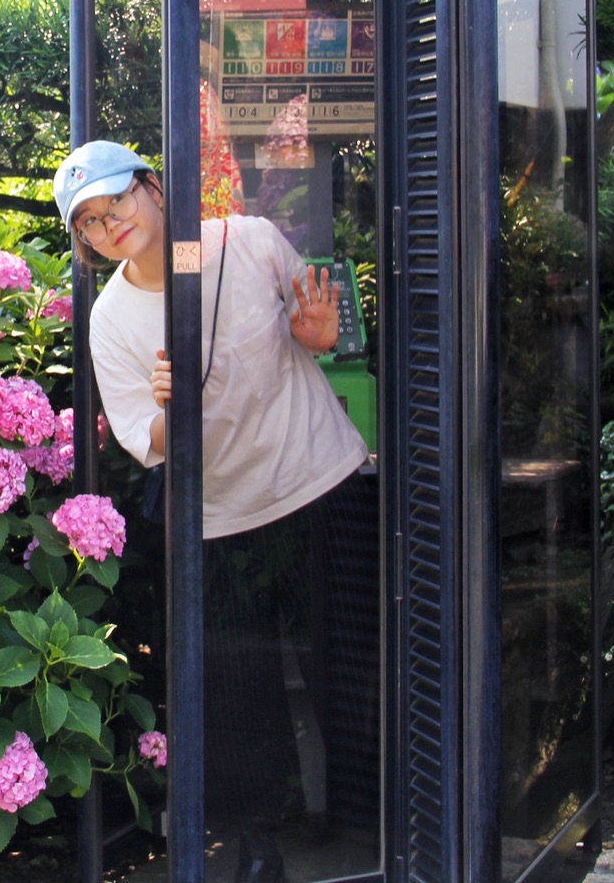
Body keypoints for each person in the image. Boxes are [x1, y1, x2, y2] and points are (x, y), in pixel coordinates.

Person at [53, 140, 377, 883]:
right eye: (90, 224)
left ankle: (379, 819)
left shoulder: (248, 240)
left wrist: (320, 337)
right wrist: (170, 407)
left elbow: (323, 330)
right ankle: (259, 845)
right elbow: (146, 441)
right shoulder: (110, 320)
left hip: (318, 481)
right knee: (237, 690)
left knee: (353, 660)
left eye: (117, 203)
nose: (110, 228)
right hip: (218, 518)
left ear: (156, 188)